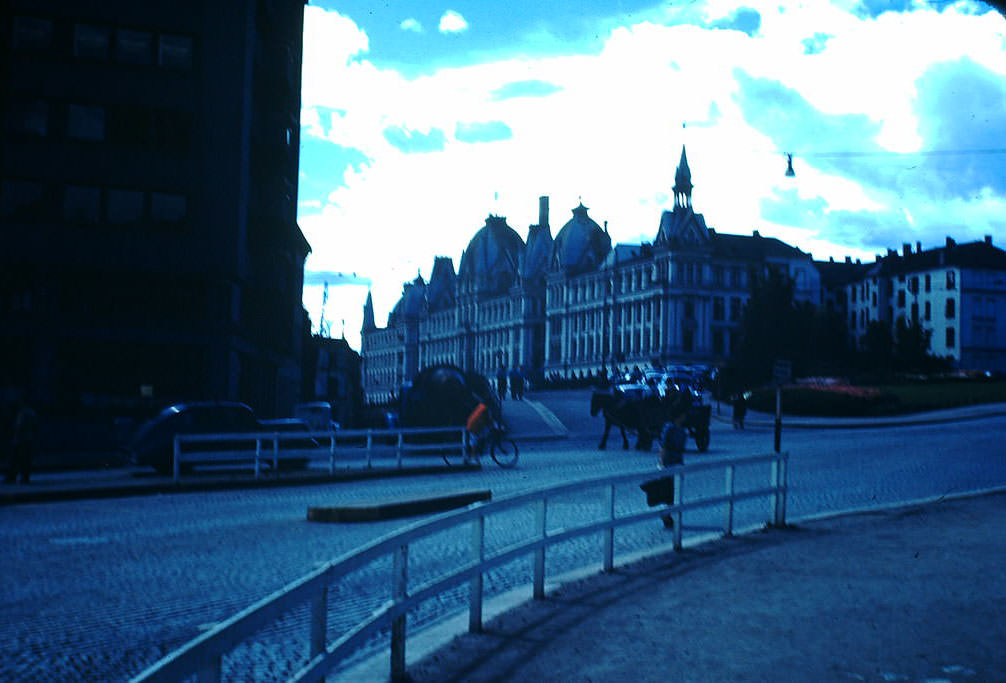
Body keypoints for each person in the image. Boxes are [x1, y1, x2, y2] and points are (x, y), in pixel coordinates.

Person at [7, 399, 38, 484]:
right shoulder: (32, 413)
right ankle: (24, 477)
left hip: (21, 440)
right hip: (28, 439)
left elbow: (19, 427)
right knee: (25, 460)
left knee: (16, 459)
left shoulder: (23, 413)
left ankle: (12, 477)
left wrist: (16, 438)